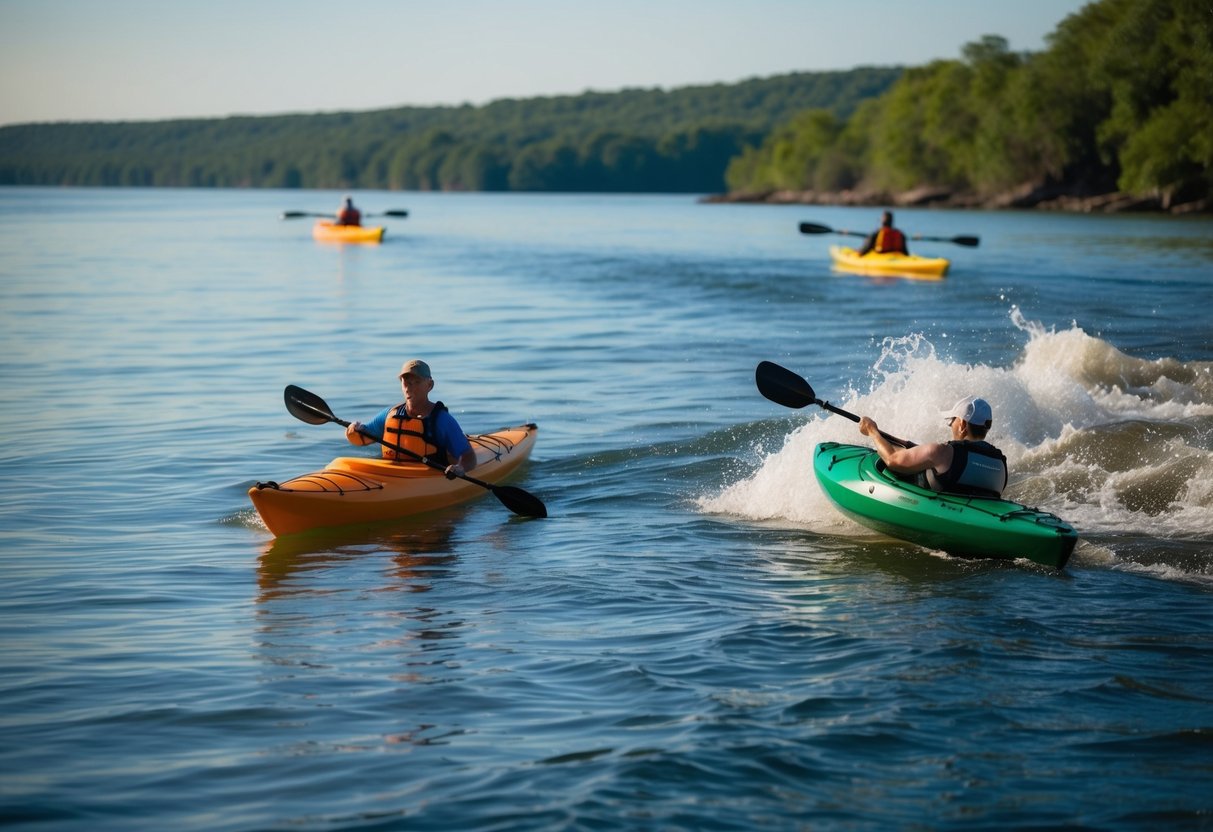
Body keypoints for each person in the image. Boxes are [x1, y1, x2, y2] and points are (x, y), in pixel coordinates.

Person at [345, 359, 477, 480]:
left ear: (429, 385)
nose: (409, 388)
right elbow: (361, 439)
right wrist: (354, 429)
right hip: (392, 476)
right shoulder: (390, 415)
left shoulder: (442, 420)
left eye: (417, 382)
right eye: (406, 382)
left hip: (428, 479)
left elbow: (469, 456)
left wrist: (460, 468)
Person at [857, 395, 1008, 497]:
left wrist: (872, 430)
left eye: (951, 421)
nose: (951, 426)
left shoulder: (942, 453)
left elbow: (892, 459)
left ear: (962, 424)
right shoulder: (1000, 462)